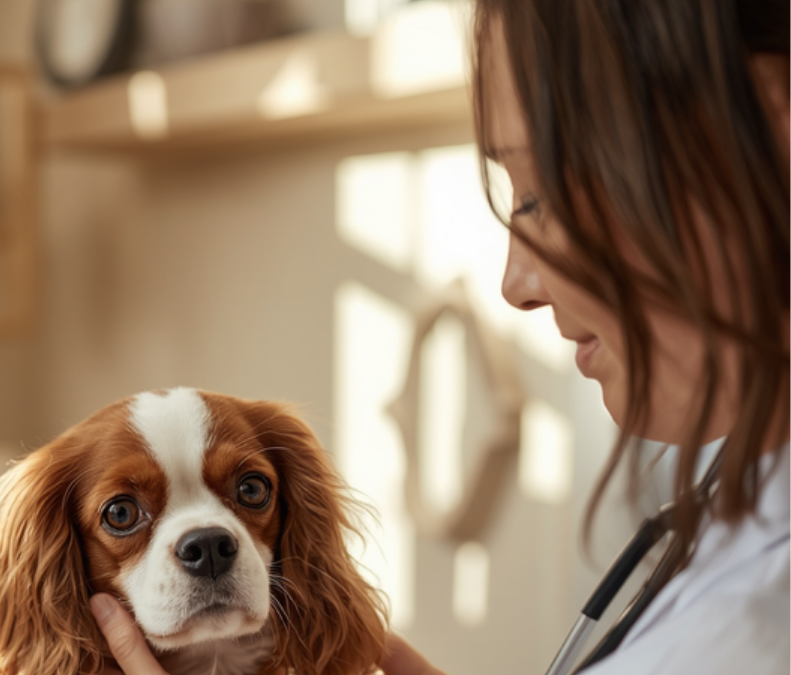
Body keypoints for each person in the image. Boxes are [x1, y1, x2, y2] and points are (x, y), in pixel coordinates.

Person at [89, 0, 790, 673]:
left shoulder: (756, 621)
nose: (516, 284)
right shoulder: (746, 520)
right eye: (122, 514)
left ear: (773, 117)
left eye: (539, 197)